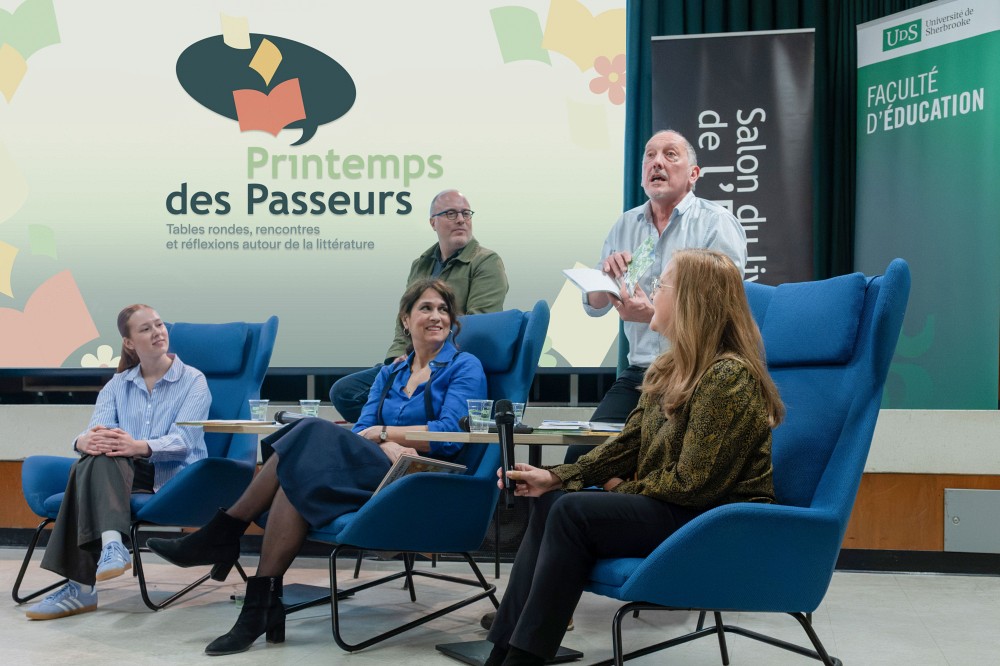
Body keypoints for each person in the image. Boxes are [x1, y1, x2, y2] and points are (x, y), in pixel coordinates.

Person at [146, 279, 487, 656]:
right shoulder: (391, 372)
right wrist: (385, 442)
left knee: (308, 429)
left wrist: (386, 433)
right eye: (426, 308)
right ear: (406, 319)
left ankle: (224, 534)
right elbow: (360, 429)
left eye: (443, 309)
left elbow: (448, 435)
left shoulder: (464, 366)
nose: (437, 316)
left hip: (422, 477)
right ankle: (260, 604)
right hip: (380, 465)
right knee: (295, 479)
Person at [484, 249, 784, 666]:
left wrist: (618, 491)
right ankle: (501, 654)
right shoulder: (668, 368)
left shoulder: (727, 376)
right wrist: (555, 477)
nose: (652, 292)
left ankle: (522, 662)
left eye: (662, 284)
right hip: (676, 509)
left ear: (692, 300)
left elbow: (693, 485)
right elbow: (628, 445)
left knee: (572, 511)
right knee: (552, 501)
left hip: (715, 521)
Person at [565, 129, 748, 465]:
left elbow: (722, 313)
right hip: (641, 375)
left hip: (696, 372)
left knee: (657, 460)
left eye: (670, 155)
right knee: (580, 457)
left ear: (693, 174)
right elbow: (594, 306)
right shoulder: (626, 224)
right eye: (649, 155)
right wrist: (606, 279)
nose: (657, 162)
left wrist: (653, 316)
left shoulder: (716, 224)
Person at [24, 304, 211, 620]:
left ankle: (80, 587)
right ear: (129, 342)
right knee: (96, 457)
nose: (158, 332)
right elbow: (97, 431)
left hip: (172, 477)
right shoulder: (117, 384)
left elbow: (185, 442)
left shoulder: (193, 380)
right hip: (118, 472)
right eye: (146, 329)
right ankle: (112, 546)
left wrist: (136, 446)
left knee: (87, 467)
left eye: (159, 325)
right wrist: (82, 441)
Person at [331, 189, 507, 422]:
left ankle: (400, 427)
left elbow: (478, 325)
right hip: (412, 360)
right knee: (344, 392)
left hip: (449, 363)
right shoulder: (421, 264)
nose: (461, 220)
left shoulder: (486, 262)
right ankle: (400, 425)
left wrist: (422, 358)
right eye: (451, 213)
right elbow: (405, 317)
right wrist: (397, 357)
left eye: (466, 213)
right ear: (433, 222)